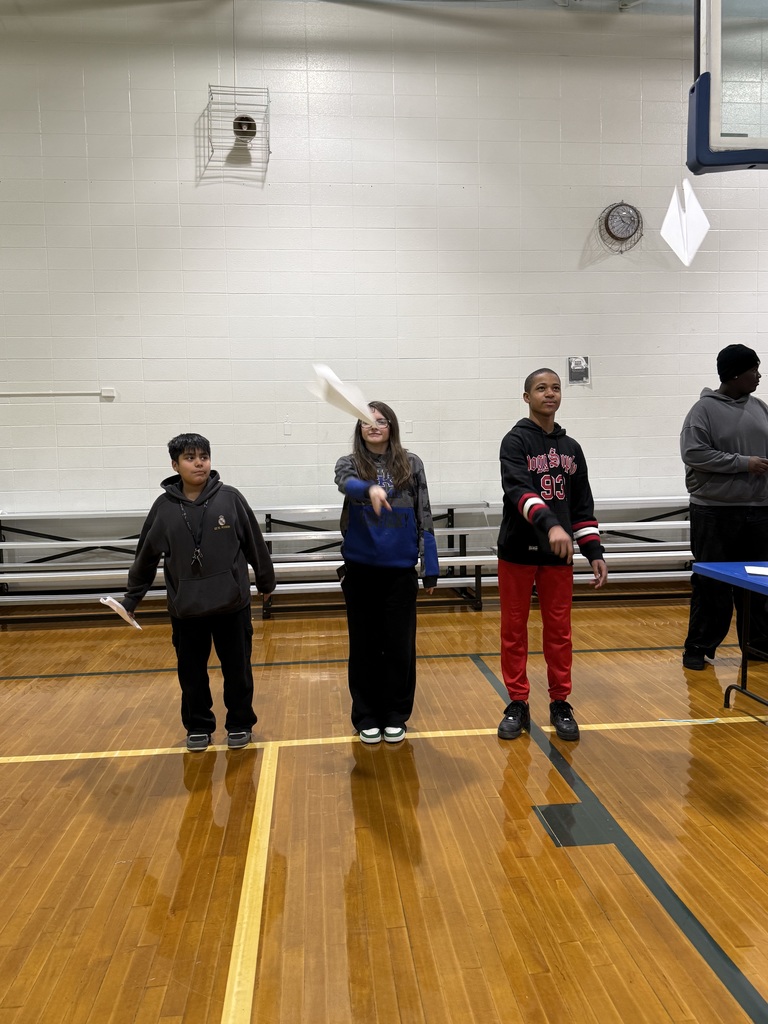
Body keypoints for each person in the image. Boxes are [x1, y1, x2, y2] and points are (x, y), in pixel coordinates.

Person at [119, 433, 275, 751]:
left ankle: (240, 723)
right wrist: (132, 598)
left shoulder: (230, 499)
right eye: (190, 458)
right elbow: (145, 556)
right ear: (175, 465)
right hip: (186, 610)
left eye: (203, 456)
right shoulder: (163, 509)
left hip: (232, 605)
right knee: (191, 674)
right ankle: (199, 726)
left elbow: (254, 543)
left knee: (238, 671)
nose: (199, 463)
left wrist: (266, 582)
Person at [496, 369, 607, 741]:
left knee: (559, 632)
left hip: (557, 557)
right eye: (541, 388)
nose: (550, 393)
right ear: (526, 396)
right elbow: (519, 491)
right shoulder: (514, 442)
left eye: (556, 388)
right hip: (517, 552)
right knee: (514, 631)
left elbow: (582, 506)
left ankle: (560, 701)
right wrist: (550, 524)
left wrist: (593, 550)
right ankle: (517, 702)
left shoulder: (572, 448)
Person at [334, 403, 439, 745]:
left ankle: (395, 714)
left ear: (392, 426)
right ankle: (366, 715)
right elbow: (345, 483)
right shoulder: (349, 464)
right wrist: (368, 490)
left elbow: (424, 510)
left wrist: (431, 565)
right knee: (364, 647)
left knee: (399, 647)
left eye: (381, 421)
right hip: (361, 571)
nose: (374, 426)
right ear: (359, 429)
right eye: (367, 422)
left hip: (400, 573)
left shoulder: (412, 463)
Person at [681, 344, 768, 670]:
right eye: (753, 370)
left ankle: (758, 645)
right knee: (711, 585)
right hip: (715, 511)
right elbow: (694, 454)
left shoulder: (760, 407)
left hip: (759, 510)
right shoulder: (702, 412)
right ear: (734, 374)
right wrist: (743, 463)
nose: (758, 375)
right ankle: (698, 647)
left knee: (759, 584)